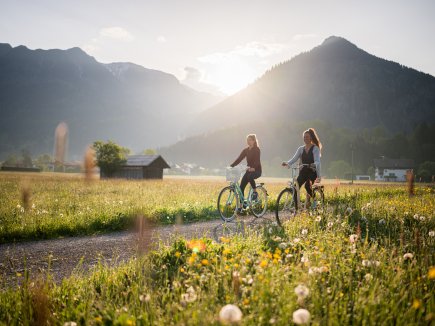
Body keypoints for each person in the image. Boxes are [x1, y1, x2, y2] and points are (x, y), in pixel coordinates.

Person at [282, 128, 322, 208]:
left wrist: (313, 164)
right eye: (304, 137)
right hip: (303, 171)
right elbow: (294, 158)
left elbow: (317, 161)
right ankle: (297, 208)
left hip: (312, 172)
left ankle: (314, 201)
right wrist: (287, 163)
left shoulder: (315, 149)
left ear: (311, 138)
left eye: (307, 137)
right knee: (295, 188)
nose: (305, 138)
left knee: (307, 186)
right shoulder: (301, 149)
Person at [230, 134, 262, 209]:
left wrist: (253, 168)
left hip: (257, 170)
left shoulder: (257, 149)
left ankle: (255, 192)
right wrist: (231, 166)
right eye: (247, 140)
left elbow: (257, 161)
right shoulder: (246, 150)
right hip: (248, 170)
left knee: (250, 176)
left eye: (250, 140)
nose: (248, 141)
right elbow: (239, 159)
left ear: (254, 141)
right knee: (241, 187)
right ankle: (241, 207)